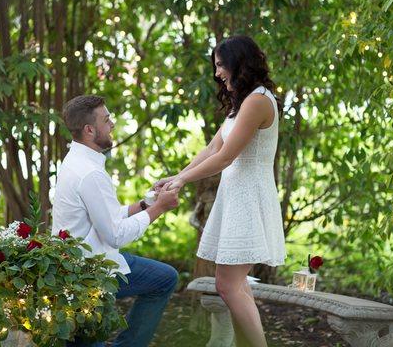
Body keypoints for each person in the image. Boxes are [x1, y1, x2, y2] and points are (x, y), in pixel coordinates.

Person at [156, 35, 285, 347]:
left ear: (238, 64)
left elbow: (227, 157)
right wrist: (178, 175)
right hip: (235, 197)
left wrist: (183, 182)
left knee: (227, 285)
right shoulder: (243, 102)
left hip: (248, 198)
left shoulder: (257, 101)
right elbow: (214, 146)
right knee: (236, 285)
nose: (216, 73)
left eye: (220, 66)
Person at [52, 95, 180, 347]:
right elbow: (116, 235)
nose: (112, 124)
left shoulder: (76, 161)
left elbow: (103, 217)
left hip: (75, 265)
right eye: (107, 119)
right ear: (89, 130)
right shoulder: (90, 173)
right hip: (90, 272)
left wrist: (145, 205)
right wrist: (160, 209)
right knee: (165, 279)